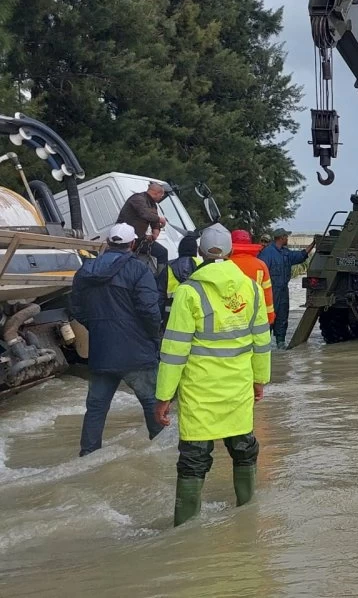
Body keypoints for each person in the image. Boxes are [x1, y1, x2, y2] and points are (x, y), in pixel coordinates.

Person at [153, 223, 272, 527]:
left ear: (201, 253)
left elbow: (175, 350)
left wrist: (164, 395)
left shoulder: (188, 291)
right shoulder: (251, 289)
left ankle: (184, 532)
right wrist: (260, 380)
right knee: (244, 449)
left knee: (193, 460)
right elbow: (261, 340)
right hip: (238, 387)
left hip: (199, 391)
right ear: (231, 252)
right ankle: (247, 516)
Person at [71, 223, 164, 456]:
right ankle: (164, 453)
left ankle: (88, 456)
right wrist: (154, 339)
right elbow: (150, 311)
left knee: (96, 408)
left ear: (108, 243)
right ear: (132, 244)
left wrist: (98, 326)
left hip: (102, 351)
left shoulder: (85, 271)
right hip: (137, 352)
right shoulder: (139, 270)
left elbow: (75, 308)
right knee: (153, 405)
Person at [258, 228, 314, 350]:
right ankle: (264, 348)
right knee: (268, 318)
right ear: (281, 238)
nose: (288, 239)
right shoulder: (267, 253)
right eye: (286, 237)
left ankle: (281, 346)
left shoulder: (285, 253)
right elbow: (260, 273)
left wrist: (313, 243)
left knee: (283, 318)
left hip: (283, 291)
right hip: (270, 292)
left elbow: (300, 256)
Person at [117, 181, 169, 267]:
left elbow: (154, 220)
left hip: (139, 239)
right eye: (161, 195)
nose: (161, 198)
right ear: (156, 193)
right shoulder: (138, 198)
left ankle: (161, 279)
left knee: (162, 252)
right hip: (124, 238)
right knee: (125, 261)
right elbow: (144, 214)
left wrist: (155, 232)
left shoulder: (153, 205)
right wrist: (160, 219)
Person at [230, 230, 276, 327]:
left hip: (230, 314)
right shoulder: (261, 265)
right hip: (255, 314)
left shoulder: (223, 264)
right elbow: (267, 294)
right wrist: (270, 316)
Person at [157, 233, 201, 326]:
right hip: (196, 314)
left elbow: (160, 296)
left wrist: (159, 319)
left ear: (180, 249)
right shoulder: (201, 266)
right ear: (196, 250)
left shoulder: (168, 267)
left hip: (171, 316)